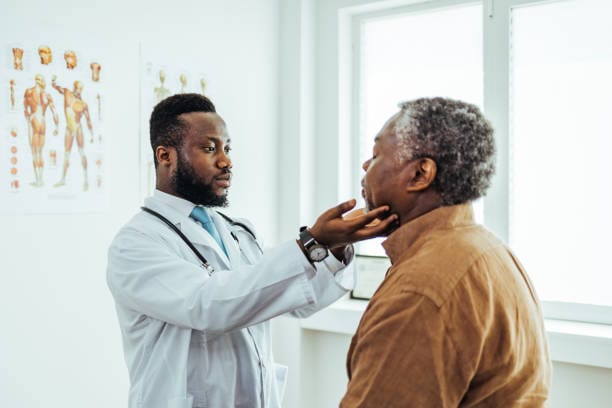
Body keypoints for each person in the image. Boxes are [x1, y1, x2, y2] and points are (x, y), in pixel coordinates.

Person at [106, 93, 397, 408]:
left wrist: (337, 246)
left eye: (227, 148)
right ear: (165, 156)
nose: (226, 161)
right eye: (209, 148)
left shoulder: (237, 230)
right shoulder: (136, 243)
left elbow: (292, 300)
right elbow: (209, 306)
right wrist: (311, 243)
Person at [341, 97, 552, 407]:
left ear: (419, 174)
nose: (365, 166)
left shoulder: (421, 291)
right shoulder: (488, 249)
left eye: (375, 155)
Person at [51, 76, 93, 191]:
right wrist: (53, 82)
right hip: (69, 128)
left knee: (81, 152)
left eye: (81, 89)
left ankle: (86, 180)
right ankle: (63, 179)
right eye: (78, 88)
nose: (79, 90)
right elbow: (56, 88)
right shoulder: (67, 93)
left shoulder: (83, 104)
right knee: (66, 154)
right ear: (74, 87)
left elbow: (88, 120)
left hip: (78, 128)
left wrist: (92, 134)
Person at [23, 74, 59, 187]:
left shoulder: (29, 91)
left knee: (34, 152)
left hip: (34, 119)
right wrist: (57, 127)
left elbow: (25, 109)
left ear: (35, 80)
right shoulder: (47, 95)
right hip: (43, 122)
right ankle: (41, 180)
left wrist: (28, 118)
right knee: (40, 152)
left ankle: (38, 180)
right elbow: (54, 112)